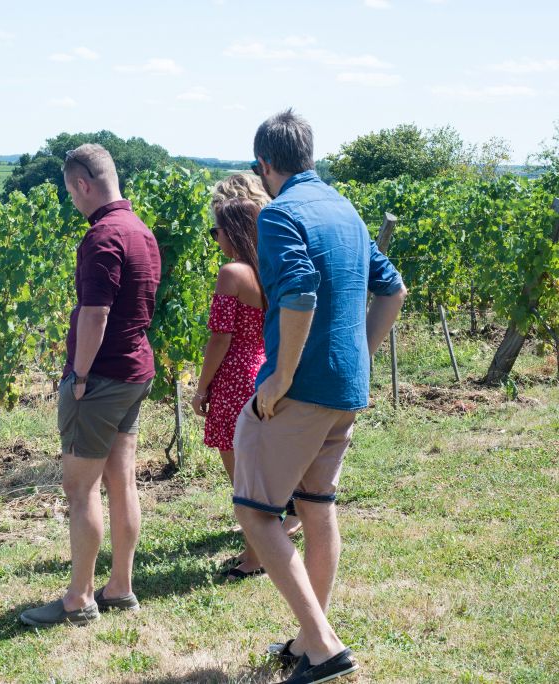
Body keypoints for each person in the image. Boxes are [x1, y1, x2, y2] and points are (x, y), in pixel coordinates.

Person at [233, 110, 406, 684]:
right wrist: (362, 352)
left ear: (264, 165)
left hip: (300, 391)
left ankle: (325, 647)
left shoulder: (280, 213)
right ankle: (312, 639)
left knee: (255, 514)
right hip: (346, 388)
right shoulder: (345, 209)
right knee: (316, 505)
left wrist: (280, 378)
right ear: (308, 154)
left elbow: (301, 291)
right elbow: (393, 288)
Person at [20, 144, 161, 627]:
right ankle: (121, 585)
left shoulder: (102, 237)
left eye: (70, 192)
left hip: (101, 378)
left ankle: (79, 599)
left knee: (81, 490)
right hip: (135, 371)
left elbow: (96, 314)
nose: (72, 203)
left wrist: (79, 375)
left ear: (83, 184)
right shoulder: (142, 231)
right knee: (123, 481)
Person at [190, 193, 271, 580]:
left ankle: (255, 556)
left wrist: (202, 388)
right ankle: (257, 548)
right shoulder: (268, 270)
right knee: (259, 469)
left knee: (240, 474)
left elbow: (220, 338)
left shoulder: (231, 273)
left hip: (235, 376)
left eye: (215, 230)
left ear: (232, 232)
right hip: (265, 372)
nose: (214, 237)